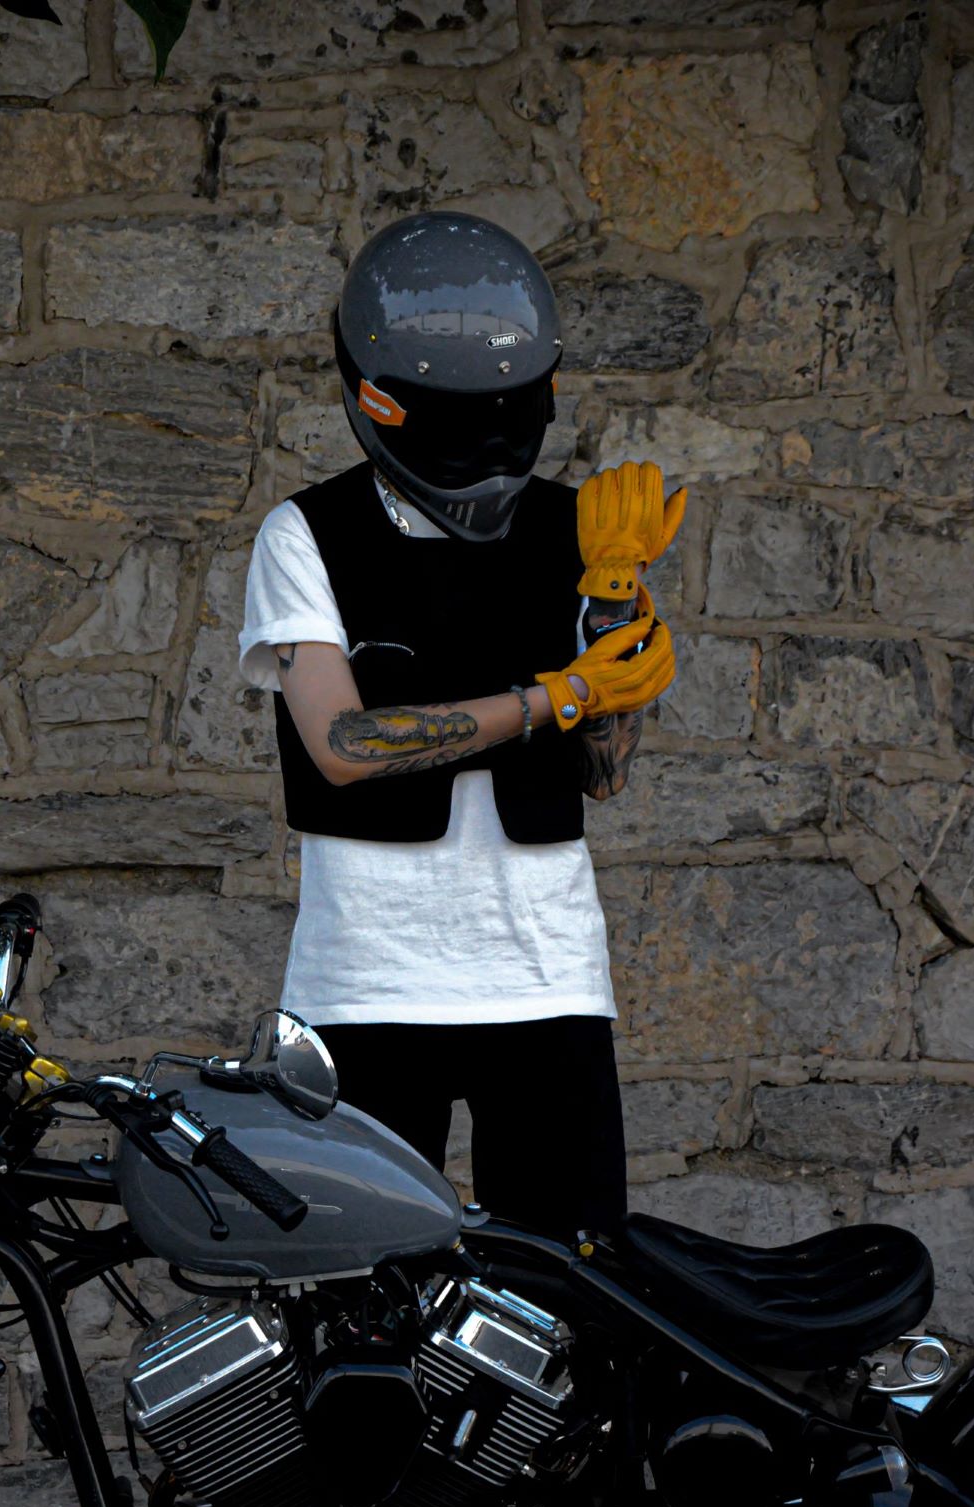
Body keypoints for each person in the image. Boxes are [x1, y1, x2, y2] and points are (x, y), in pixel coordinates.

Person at [235, 211, 685, 1242]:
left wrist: (615, 614)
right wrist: (550, 697)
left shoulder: (580, 530)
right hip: (366, 981)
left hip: (546, 973)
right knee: (357, 1295)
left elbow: (604, 775)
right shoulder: (307, 535)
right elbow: (342, 748)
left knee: (572, 1281)